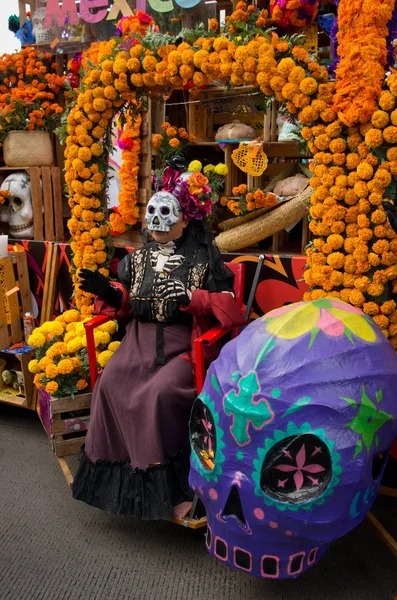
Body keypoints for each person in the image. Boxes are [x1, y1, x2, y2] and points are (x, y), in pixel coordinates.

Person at [72, 165, 245, 520]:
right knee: (110, 384)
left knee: (156, 396)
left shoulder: (204, 259)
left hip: (184, 346)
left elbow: (230, 309)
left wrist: (192, 297)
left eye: (166, 212)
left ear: (185, 219)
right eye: (152, 212)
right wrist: (109, 291)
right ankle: (120, 485)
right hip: (138, 342)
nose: (156, 220)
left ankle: (174, 490)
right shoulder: (136, 259)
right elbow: (127, 301)